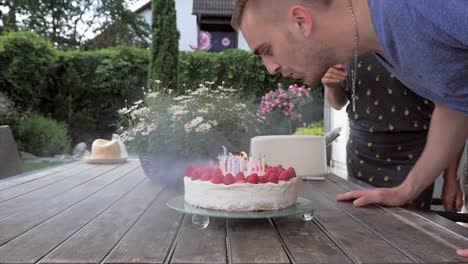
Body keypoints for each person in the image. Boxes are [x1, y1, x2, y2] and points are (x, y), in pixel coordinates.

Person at [231, 0, 468, 257]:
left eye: (267, 50)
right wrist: (407, 190)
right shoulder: (380, 42)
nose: (271, 68)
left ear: (301, 21)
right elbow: (454, 103)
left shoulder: (411, 6)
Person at [322, 53, 463, 211]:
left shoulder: (421, 41)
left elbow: (454, 113)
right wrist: (332, 86)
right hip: (361, 155)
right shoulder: (350, 43)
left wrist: (450, 178)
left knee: (409, 227)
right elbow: (338, 103)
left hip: (413, 158)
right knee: (362, 220)